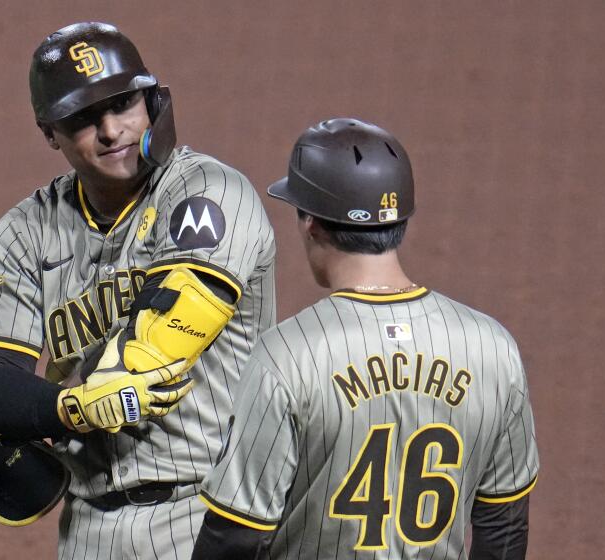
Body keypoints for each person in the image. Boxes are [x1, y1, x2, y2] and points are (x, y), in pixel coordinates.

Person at [0, 22, 275, 559]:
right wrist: (68, 410)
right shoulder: (23, 232)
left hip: (212, 515)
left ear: (152, 101)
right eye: (83, 118)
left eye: (123, 103)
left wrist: (63, 403)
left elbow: (160, 344)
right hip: (87, 528)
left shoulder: (209, 194)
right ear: (49, 132)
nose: (111, 131)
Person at [192, 119, 539, 559]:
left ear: (310, 223)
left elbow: (234, 536)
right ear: (402, 221)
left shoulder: (286, 355)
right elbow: (504, 527)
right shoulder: (493, 347)